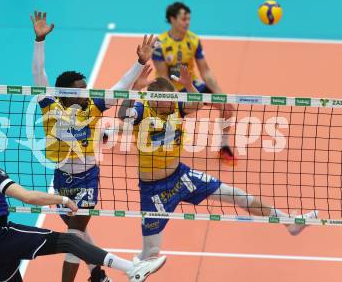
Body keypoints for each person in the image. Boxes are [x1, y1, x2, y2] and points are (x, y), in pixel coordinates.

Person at [0, 121, 166, 282]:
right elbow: (28, 197)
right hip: (1, 236)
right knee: (70, 240)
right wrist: (62, 198)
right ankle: (131, 269)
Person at [117, 67, 318, 262]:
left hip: (181, 177)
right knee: (151, 252)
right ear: (154, 99)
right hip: (154, 190)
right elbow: (123, 115)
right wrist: (134, 89)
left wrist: (188, 84)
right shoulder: (142, 109)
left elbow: (197, 104)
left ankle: (289, 222)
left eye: (172, 100)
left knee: (237, 195)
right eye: (166, 101)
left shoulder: (176, 106)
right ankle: (133, 267)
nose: (171, 104)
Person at [30, 10, 157, 282]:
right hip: (62, 180)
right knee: (81, 235)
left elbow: (120, 86)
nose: (86, 93)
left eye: (86, 88)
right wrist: (39, 40)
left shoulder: (93, 108)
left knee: (74, 236)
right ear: (65, 93)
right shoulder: (49, 107)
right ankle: (97, 273)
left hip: (88, 178)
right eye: (80, 89)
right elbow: (38, 72)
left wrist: (139, 62)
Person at [152, 1, 237, 165]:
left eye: (189, 19)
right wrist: (173, 103)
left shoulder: (193, 40)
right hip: (167, 90)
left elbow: (205, 71)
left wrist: (221, 94)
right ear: (172, 19)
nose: (187, 22)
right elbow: (163, 77)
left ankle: (224, 145)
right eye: (184, 19)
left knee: (226, 107)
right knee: (144, 122)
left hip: (191, 86)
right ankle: (112, 132)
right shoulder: (159, 43)